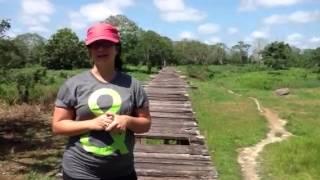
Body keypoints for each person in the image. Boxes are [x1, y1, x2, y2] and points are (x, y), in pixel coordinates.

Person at [52, 22, 151, 180]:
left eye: (106, 44)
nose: (100, 49)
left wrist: (127, 120)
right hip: (79, 171)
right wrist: (92, 124)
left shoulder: (133, 85)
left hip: (122, 172)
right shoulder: (73, 85)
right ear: (89, 51)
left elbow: (145, 124)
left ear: (116, 48)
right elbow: (58, 126)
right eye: (95, 45)